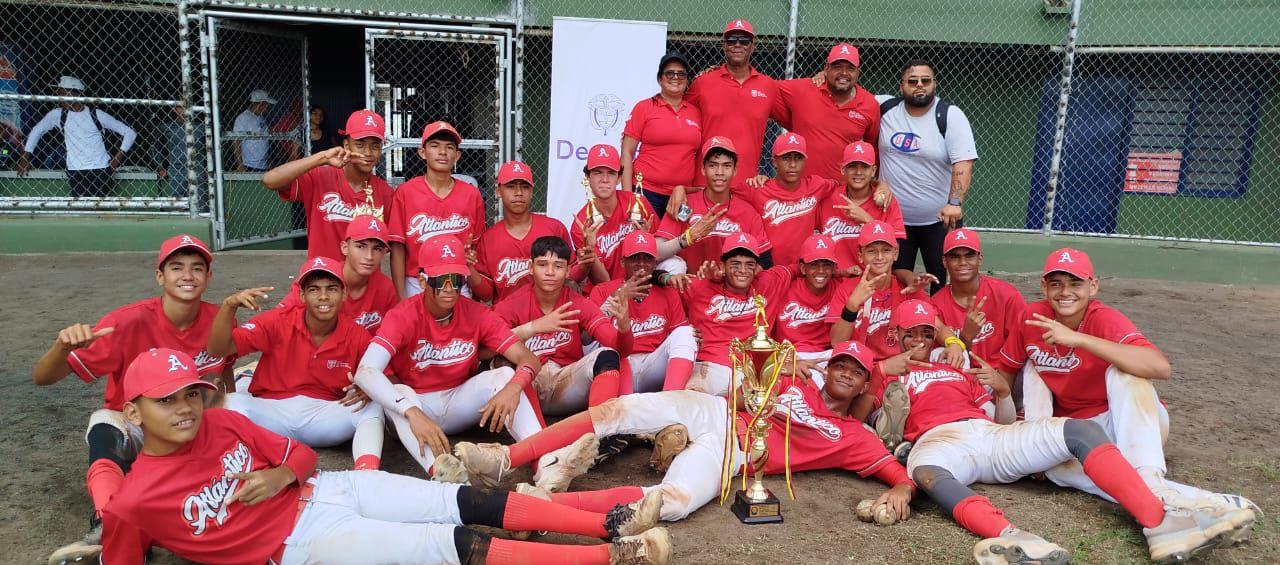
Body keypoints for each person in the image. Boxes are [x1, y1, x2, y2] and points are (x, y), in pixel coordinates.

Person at [99, 348, 673, 565]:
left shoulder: (223, 422)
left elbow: (300, 458)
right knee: (444, 545)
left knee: (461, 499)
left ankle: (605, 523)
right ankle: (612, 558)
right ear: (131, 412)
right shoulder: (134, 503)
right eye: (164, 400)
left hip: (326, 490)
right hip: (295, 547)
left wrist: (278, 473)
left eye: (190, 393)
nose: (184, 408)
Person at [868, 299, 1254, 564]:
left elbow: (1001, 418)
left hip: (987, 434)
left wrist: (1002, 391)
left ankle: (1160, 524)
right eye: (909, 334)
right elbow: (855, 411)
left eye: (924, 333)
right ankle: (1014, 538)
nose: (918, 341)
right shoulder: (878, 369)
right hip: (936, 441)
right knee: (928, 473)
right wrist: (884, 375)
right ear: (893, 335)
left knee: (1080, 432)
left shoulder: (958, 367)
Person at [449, 340, 915, 528]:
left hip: (732, 456)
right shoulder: (793, 381)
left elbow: (900, 476)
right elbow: (737, 392)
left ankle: (543, 505)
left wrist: (900, 491)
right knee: (620, 409)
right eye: (840, 365)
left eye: (856, 371)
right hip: (713, 413)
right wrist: (756, 388)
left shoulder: (854, 436)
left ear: (864, 384)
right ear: (829, 368)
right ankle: (505, 459)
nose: (846, 374)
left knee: (671, 502)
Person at [992, 248, 1261, 540]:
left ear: (1093, 286)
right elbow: (1007, 374)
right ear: (1044, 287)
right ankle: (1197, 503)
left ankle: (1150, 480)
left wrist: (1080, 339)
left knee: (1125, 371)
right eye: (1056, 283)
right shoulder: (1031, 318)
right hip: (1083, 437)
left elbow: (1160, 367)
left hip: (1130, 423)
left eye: (1075, 283)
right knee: (1055, 467)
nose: (1065, 291)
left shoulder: (1105, 318)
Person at [32, 234, 232, 565]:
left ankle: (172, 518)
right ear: (160, 276)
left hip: (189, 428)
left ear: (209, 278)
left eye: (198, 268)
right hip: (138, 426)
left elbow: (226, 371)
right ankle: (107, 521)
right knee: (103, 421)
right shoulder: (126, 322)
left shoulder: (219, 318)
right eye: (176, 267)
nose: (187, 275)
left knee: (229, 415)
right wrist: (62, 347)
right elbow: (42, 378)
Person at [352, 235, 546, 479]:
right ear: (423, 281)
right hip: (415, 405)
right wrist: (412, 412)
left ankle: (543, 459)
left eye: (456, 279)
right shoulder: (403, 315)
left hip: (457, 400)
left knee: (506, 375)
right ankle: (442, 473)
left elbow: (529, 359)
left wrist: (513, 388)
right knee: (400, 393)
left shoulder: (475, 312)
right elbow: (365, 371)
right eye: (441, 279)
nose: (449, 288)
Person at [206, 257, 385, 471]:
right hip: (272, 414)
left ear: (344, 294)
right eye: (314, 290)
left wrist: (368, 389)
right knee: (227, 402)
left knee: (374, 404)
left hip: (324, 417)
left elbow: (385, 376)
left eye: (332, 289)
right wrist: (229, 305)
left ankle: (367, 473)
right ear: (301, 294)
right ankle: (219, 471)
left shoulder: (356, 333)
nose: (323, 297)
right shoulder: (278, 320)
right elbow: (218, 349)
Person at [494, 236, 636, 416]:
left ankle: (601, 425)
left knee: (607, 355)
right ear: (531, 268)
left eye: (558, 266)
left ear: (568, 270)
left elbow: (620, 350)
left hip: (566, 383)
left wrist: (624, 329)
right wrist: (533, 327)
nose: (550, 272)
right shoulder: (513, 303)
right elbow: (484, 350)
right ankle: (536, 431)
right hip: (528, 386)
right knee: (501, 362)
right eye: (542, 264)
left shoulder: (577, 302)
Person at [877, 61, 978, 293]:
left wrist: (955, 202)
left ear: (935, 84)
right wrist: (823, 74)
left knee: (941, 281)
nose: (919, 85)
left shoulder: (950, 115)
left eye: (926, 80)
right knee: (897, 281)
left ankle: (941, 327)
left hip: (938, 222)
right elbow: (850, 93)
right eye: (912, 81)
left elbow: (963, 162)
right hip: (895, 222)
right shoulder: (884, 108)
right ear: (901, 86)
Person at [662, 233, 792, 395]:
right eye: (735, 264)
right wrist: (667, 277)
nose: (743, 270)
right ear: (722, 266)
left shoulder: (769, 282)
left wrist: (834, 273)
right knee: (691, 402)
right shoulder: (700, 286)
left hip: (749, 369)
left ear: (757, 267)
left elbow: (801, 268)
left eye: (749, 264)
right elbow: (654, 278)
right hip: (709, 367)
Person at [262, 109, 394, 262]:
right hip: (322, 281)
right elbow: (270, 180)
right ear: (346, 145)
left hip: (362, 283)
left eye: (375, 146)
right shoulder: (319, 176)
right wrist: (323, 157)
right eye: (359, 144)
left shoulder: (386, 193)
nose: (368, 152)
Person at [588, 231, 697, 393]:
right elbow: (586, 340)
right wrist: (620, 295)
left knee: (687, 333)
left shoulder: (667, 293)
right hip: (617, 366)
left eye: (647, 258)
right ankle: (626, 403)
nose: (641, 264)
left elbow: (678, 338)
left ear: (655, 263)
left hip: (651, 365)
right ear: (623, 262)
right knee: (610, 352)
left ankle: (671, 399)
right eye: (634, 258)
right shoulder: (602, 291)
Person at [388, 120, 487, 298]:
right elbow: (398, 249)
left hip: (458, 283)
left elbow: (475, 247)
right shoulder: (405, 192)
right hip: (417, 282)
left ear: (457, 155)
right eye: (435, 146)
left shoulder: (472, 195)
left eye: (449, 147)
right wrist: (399, 295)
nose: (442, 152)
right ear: (422, 152)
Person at [683, 18, 778, 188]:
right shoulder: (703, 83)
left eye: (744, 40)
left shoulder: (769, 86)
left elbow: (798, 114)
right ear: (724, 46)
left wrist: (821, 76)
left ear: (753, 46)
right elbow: (681, 122)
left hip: (747, 184)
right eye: (732, 40)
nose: (738, 44)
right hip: (704, 183)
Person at [655, 136, 772, 274]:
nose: (719, 172)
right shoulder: (684, 204)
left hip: (730, 290)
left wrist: (728, 277)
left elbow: (765, 261)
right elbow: (655, 252)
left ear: (735, 170)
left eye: (726, 166)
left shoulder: (748, 212)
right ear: (703, 169)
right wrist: (689, 237)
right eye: (713, 165)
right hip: (689, 285)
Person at [471, 160, 580, 302]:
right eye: (511, 187)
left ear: (532, 191)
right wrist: (469, 269)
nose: (518, 193)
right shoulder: (488, 239)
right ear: (498, 191)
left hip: (551, 315)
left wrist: (587, 262)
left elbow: (571, 276)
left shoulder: (554, 228)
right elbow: (486, 295)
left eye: (525, 187)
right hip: (507, 320)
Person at [772, 43, 881, 182]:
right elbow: (766, 87)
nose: (844, 73)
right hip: (801, 190)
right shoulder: (803, 89)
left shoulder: (870, 104)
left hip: (842, 190)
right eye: (837, 67)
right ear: (826, 69)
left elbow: (872, 146)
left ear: (858, 72)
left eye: (850, 68)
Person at [829, 221, 935, 361]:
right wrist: (852, 307)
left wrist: (953, 342)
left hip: (902, 365)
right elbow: (836, 342)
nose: (879, 257)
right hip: (860, 365)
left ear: (895, 253)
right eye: (872, 251)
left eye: (886, 250)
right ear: (860, 255)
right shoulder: (847, 289)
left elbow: (937, 325)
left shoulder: (909, 288)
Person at [17, 75, 137, 198]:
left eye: (62, 94)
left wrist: (116, 160)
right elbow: (36, 131)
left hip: (100, 169)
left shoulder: (96, 115)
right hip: (75, 171)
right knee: (81, 209)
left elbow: (130, 133)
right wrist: (25, 157)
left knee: (99, 209)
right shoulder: (58, 115)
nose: (59, 98)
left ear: (74, 94)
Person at [276, 216, 400, 331]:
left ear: (384, 253)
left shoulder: (385, 288)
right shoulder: (319, 278)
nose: (369, 256)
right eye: (361, 247)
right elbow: (276, 319)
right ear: (345, 248)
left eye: (377, 249)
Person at [621, 51, 702, 217]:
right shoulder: (644, 108)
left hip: (682, 195)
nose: (675, 77)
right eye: (669, 73)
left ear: (687, 80)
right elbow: (627, 152)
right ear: (659, 79)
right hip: (646, 191)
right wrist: (628, 196)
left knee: (680, 242)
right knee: (645, 241)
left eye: (681, 74)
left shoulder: (696, 112)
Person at [929, 229, 1025, 363]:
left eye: (969, 255)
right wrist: (966, 337)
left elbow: (1022, 343)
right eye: (955, 256)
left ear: (979, 259)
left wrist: (1001, 380)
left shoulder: (1007, 295)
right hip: (959, 377)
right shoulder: (935, 304)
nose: (962, 262)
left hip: (999, 375)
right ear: (945, 261)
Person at [571, 144, 657, 283]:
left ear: (618, 178)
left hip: (641, 282)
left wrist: (645, 240)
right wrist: (590, 251)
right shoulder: (582, 223)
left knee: (674, 264)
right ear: (587, 177)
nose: (605, 179)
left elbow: (656, 254)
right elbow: (602, 281)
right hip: (606, 294)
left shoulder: (637, 203)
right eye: (598, 172)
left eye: (611, 173)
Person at [817, 141, 906, 276]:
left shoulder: (888, 202)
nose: (858, 172)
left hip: (874, 280)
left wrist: (867, 220)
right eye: (852, 166)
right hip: (835, 279)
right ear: (842, 169)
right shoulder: (828, 198)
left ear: (873, 171)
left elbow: (895, 248)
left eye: (864, 167)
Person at [149, 104, 205, 208]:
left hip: (198, 170)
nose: (184, 110)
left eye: (187, 106)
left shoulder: (201, 127)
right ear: (174, 109)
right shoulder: (166, 127)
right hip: (176, 171)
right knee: (178, 207)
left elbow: (212, 147)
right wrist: (160, 167)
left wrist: (209, 168)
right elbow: (154, 146)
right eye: (181, 107)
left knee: (199, 206)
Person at [232, 89, 276, 172]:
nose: (268, 108)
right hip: (249, 165)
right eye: (266, 105)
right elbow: (236, 142)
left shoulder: (261, 118)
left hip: (263, 165)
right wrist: (240, 164)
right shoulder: (243, 118)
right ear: (260, 103)